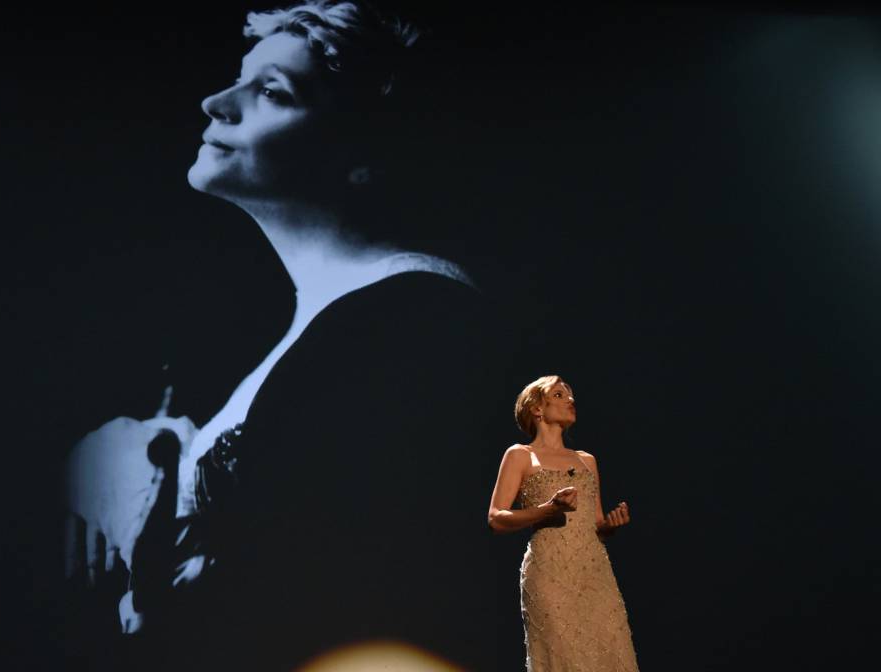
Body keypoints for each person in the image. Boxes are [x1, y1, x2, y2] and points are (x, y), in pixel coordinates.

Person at [67, 2, 529, 669]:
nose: (215, 102)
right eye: (239, 78)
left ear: (364, 153)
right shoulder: (325, 325)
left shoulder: (411, 325)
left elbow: (327, 590)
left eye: (274, 92)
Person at [487, 375, 639, 672]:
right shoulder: (521, 455)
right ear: (536, 409)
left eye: (571, 396)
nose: (570, 400)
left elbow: (596, 524)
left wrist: (611, 524)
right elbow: (496, 518)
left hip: (595, 573)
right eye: (558, 395)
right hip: (549, 574)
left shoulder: (586, 460)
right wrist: (547, 510)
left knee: (611, 654)